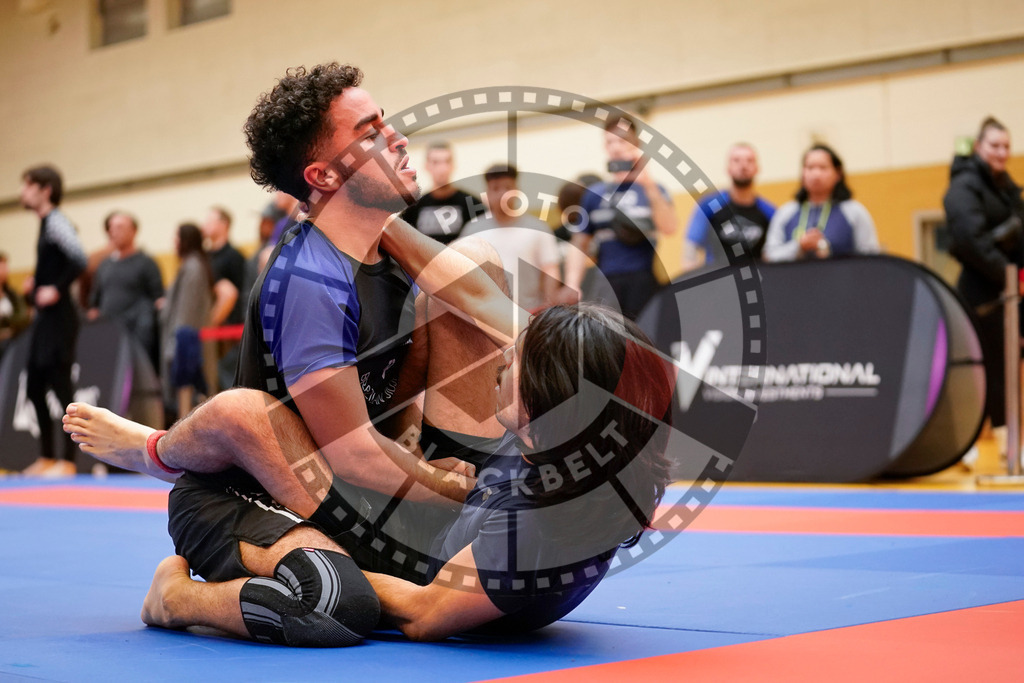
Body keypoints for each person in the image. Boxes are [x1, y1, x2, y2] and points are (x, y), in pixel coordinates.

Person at [63, 62, 672, 645]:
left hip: (377, 482)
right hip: (272, 487)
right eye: (371, 132)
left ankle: (181, 456)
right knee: (331, 598)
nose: (398, 137)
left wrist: (571, 361)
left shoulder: (391, 248)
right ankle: (168, 533)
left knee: (476, 271)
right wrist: (458, 485)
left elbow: (487, 305)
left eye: (386, 122)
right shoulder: (308, 280)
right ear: (325, 176)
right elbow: (349, 454)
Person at [944, 116, 1024, 457]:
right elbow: (969, 241)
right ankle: (989, 442)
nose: (1001, 152)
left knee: (1008, 365)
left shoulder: (1008, 188)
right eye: (994, 145)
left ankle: (1011, 442)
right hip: (982, 293)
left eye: (1006, 146)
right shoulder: (964, 187)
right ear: (978, 147)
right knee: (989, 369)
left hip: (1011, 292)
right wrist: (1009, 275)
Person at [562, 114, 678, 321]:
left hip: (644, 279)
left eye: (622, 141)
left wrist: (647, 183)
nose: (616, 147)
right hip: (605, 282)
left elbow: (670, 228)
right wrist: (572, 284)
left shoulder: (653, 190)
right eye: (610, 142)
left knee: (646, 337)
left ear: (636, 145)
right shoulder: (594, 194)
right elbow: (579, 243)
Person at [19, 165, 87, 477]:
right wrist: (37, 283)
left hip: (60, 320)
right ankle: (47, 456)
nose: (22, 192)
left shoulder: (57, 220)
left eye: (28, 186)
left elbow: (79, 259)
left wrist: (56, 289)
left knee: (61, 388)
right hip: (46, 320)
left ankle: (69, 460)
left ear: (45, 190)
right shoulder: (46, 223)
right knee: (34, 385)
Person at [461, 164, 561, 312]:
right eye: (496, 189)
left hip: (530, 313)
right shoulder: (473, 231)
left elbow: (550, 270)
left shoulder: (538, 228)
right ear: (487, 194)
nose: (502, 194)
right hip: (485, 314)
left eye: (508, 188)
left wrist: (549, 308)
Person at [763, 144, 879, 261]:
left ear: (838, 173)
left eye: (823, 168)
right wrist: (799, 247)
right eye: (810, 168)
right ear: (803, 173)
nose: (816, 174)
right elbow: (770, 256)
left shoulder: (854, 212)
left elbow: (871, 257)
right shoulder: (786, 212)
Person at [88, 212, 164, 368]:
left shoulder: (146, 263)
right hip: (109, 334)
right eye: (111, 228)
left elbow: (158, 299)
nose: (113, 232)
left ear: (133, 231)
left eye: (119, 227)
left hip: (136, 337)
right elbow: (95, 301)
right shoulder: (104, 265)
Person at [684, 143, 775, 269]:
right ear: (728, 168)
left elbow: (773, 253)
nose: (743, 166)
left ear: (757, 168)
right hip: (717, 277)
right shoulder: (709, 205)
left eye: (749, 160)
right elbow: (691, 246)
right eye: (736, 160)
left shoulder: (769, 211)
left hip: (756, 278)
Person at [158, 223, 214, 421]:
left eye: (177, 237)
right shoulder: (191, 265)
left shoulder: (192, 267)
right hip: (187, 343)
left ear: (186, 240)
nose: (174, 242)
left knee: (190, 404)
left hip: (188, 348)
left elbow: (186, 313)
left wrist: (174, 348)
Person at [400, 141, 484, 244]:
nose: (442, 168)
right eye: (436, 162)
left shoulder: (472, 204)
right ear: (427, 166)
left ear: (453, 165)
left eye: (447, 161)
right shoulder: (413, 208)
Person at [202, 205, 247, 392]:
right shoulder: (205, 257)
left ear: (224, 224)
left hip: (228, 333)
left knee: (227, 382)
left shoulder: (234, 256)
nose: (204, 225)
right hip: (210, 333)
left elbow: (233, 294)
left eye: (210, 221)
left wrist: (211, 322)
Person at [0, 252, 31, 361]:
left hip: (12, 342)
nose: (5, 270)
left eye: (5, 267)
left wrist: (7, 321)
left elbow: (23, 315)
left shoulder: (11, 294)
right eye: (2, 267)